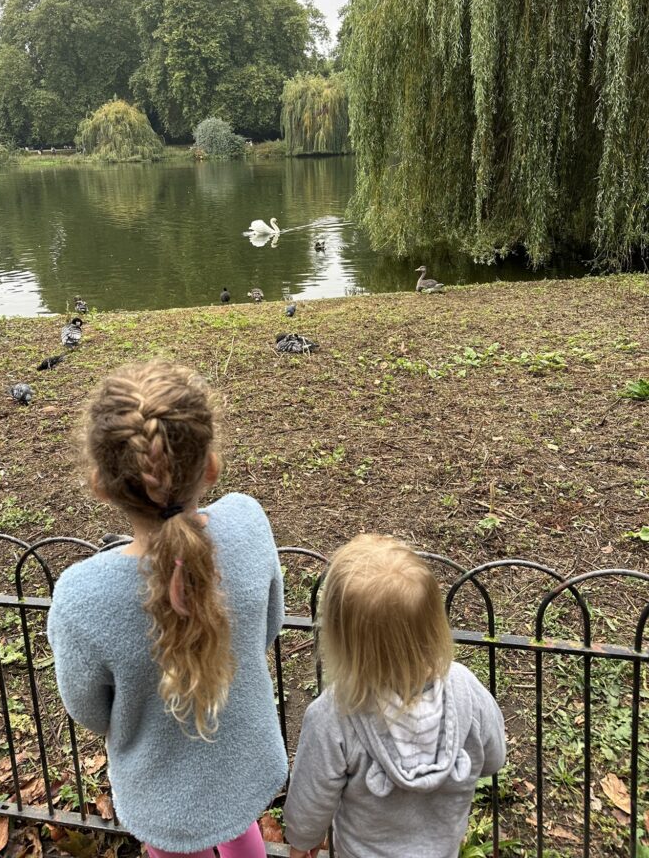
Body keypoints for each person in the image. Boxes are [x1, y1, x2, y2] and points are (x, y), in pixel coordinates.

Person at [47, 360, 287, 856]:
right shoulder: (248, 521)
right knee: (245, 835)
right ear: (211, 466)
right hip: (245, 760)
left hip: (162, 794)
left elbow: (89, 710)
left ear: (99, 484)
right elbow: (269, 626)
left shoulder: (81, 596)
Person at [283, 536, 506, 858]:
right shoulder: (465, 688)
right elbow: (494, 758)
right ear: (433, 625)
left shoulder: (335, 714)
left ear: (339, 637)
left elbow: (310, 802)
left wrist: (302, 842)